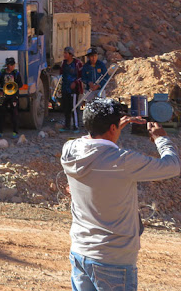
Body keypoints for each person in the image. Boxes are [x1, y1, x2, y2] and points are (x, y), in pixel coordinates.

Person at [61, 98, 180, 291]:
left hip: (80, 251)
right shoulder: (123, 161)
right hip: (113, 259)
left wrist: (114, 127)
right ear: (112, 128)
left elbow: (95, 141)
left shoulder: (70, 150)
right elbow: (173, 166)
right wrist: (161, 139)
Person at [0, 57, 23, 139]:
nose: (11, 66)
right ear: (6, 65)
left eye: (13, 65)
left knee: (14, 114)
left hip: (13, 96)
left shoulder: (16, 73)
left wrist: (15, 87)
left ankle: (15, 132)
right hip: (4, 96)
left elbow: (20, 84)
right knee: (1, 114)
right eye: (10, 65)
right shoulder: (1, 73)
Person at [60, 46, 84, 132]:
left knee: (74, 108)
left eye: (66, 53)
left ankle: (76, 126)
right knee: (66, 107)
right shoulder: (63, 63)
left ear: (70, 54)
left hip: (74, 90)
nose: (64, 55)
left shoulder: (77, 63)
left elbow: (82, 76)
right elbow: (62, 75)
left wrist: (75, 83)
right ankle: (67, 125)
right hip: (65, 88)